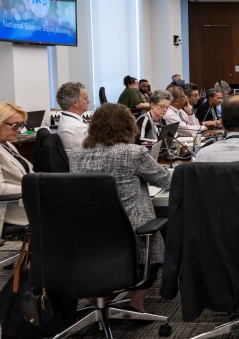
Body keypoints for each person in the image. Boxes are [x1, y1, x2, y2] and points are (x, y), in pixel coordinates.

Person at [69, 103, 170, 313]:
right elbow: (165, 181)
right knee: (164, 230)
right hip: (133, 232)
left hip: (89, 231)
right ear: (127, 127)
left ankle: (100, 295)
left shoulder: (77, 154)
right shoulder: (134, 153)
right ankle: (137, 301)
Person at [55, 81, 90, 150]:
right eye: (85, 98)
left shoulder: (68, 119)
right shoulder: (77, 128)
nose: (89, 101)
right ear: (75, 103)